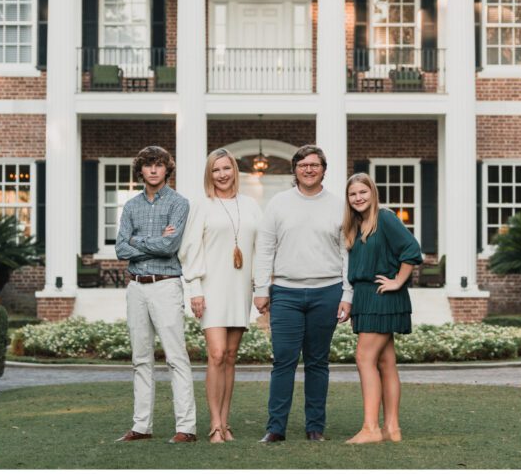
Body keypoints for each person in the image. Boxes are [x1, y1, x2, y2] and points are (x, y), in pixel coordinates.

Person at [252, 144, 352, 443]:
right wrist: (260, 288)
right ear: (294, 170)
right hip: (286, 292)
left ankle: (315, 428)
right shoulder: (279, 203)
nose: (309, 169)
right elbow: (265, 247)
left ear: (323, 169)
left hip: (327, 291)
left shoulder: (338, 205)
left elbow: (347, 252)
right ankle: (275, 428)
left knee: (317, 362)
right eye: (303, 165)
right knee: (283, 360)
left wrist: (348, 294)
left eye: (315, 164)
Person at [114, 145, 197, 444]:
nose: (153, 170)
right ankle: (141, 426)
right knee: (140, 359)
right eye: (148, 165)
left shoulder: (179, 203)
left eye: (158, 165)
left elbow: (169, 247)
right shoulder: (131, 206)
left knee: (176, 357)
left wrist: (138, 240)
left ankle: (186, 428)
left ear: (166, 169)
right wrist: (152, 239)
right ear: (140, 171)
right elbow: (120, 248)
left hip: (166, 284)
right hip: (136, 286)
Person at [179, 148, 262, 443]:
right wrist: (195, 290)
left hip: (239, 288)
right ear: (209, 174)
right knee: (215, 355)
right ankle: (214, 424)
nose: (222, 174)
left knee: (229, 356)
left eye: (227, 168)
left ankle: (226, 424)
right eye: (216, 170)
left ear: (234, 171)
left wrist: (261, 287)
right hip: (211, 288)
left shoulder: (251, 205)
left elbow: (260, 249)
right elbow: (190, 250)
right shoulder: (202, 206)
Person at [341, 172, 423, 444]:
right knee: (385, 362)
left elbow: (411, 249)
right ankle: (392, 428)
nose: (358, 198)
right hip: (367, 298)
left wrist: (398, 281)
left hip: (381, 296)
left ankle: (370, 429)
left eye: (363, 192)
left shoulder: (385, 218)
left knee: (364, 359)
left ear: (372, 193)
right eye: (353, 194)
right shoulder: (357, 225)